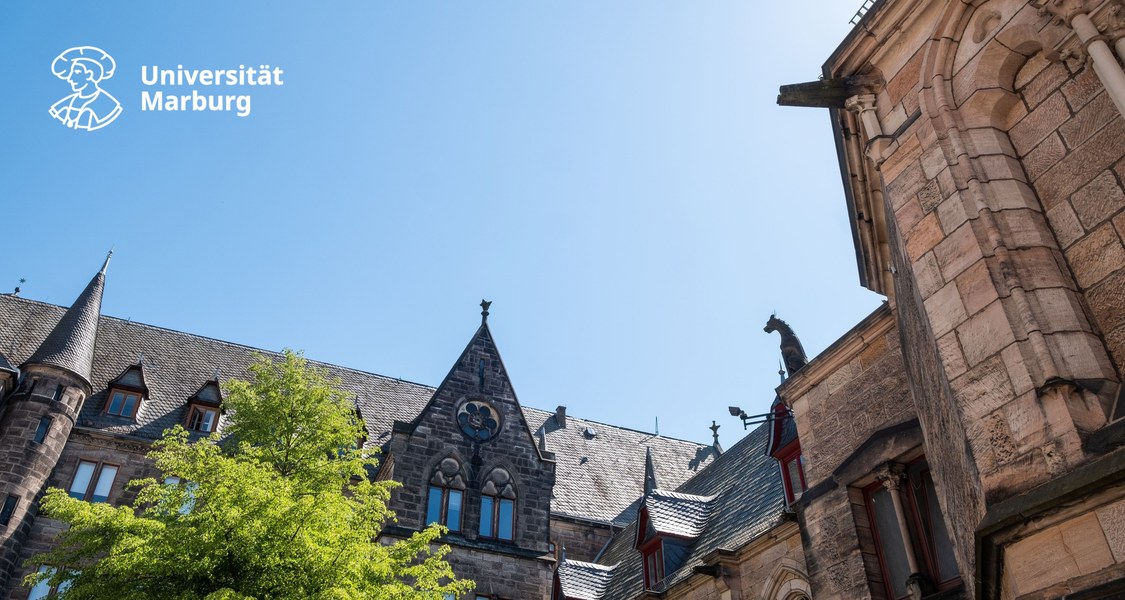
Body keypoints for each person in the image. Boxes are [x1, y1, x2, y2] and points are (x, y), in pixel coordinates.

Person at [49, 46, 122, 131]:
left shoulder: (109, 106)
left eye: (76, 72)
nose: (70, 78)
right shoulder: (63, 105)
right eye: (72, 72)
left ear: (89, 74)